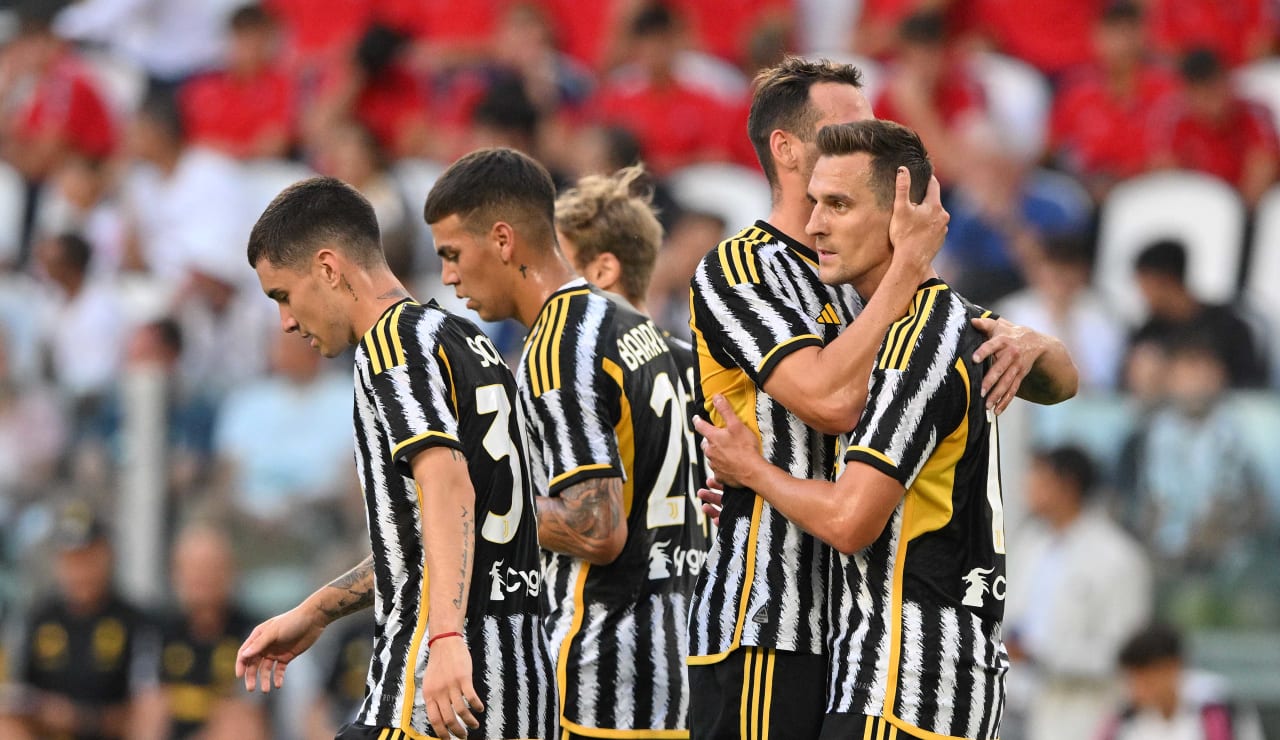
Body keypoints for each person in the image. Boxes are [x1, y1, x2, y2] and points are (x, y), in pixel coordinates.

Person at [686, 57, 1078, 739]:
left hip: (857, 630)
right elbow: (828, 401)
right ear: (787, 149)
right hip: (767, 617)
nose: (868, 138)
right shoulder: (741, 268)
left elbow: (1057, 378)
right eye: (848, 125)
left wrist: (1027, 342)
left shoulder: (866, 271)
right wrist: (908, 269)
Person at [235, 176, 557, 740]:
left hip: (434, 691)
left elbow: (447, 483)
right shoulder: (465, 340)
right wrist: (315, 612)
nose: (285, 321)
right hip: (521, 689)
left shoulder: (390, 344)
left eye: (282, 294)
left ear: (329, 268)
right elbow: (427, 538)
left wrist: (447, 640)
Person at [425, 147, 706, 738]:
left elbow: (596, 528)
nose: (449, 278)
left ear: (502, 240)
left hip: (599, 668)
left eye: (453, 255)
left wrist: (472, 502)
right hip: (676, 660)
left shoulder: (558, 344)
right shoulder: (644, 336)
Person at [554, 163, 708, 513]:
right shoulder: (696, 362)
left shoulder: (583, 365)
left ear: (602, 271)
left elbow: (594, 523)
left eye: (561, 266)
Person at [1003, 446, 1152, 740]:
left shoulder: (1118, 557)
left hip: (1080, 718)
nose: (1028, 486)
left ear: (1067, 485)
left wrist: (1039, 655)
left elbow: (1125, 654)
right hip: (1011, 706)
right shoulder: (1030, 544)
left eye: (1039, 477)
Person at [0, 502, 154, 740]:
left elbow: (147, 711)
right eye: (71, 560)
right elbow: (16, 696)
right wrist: (39, 712)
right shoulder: (38, 618)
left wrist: (78, 718)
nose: (79, 570)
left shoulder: (135, 623)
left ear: (107, 557)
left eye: (88, 558)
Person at [134, 526, 267, 740]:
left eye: (212, 567)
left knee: (238, 722)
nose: (203, 577)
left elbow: (247, 717)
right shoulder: (157, 631)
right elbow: (147, 706)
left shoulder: (253, 633)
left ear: (231, 572)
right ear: (175, 574)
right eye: (194, 568)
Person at [1127, 238, 1268, 388]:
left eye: (1145, 285)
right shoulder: (1147, 333)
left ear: (1165, 280)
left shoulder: (1229, 328)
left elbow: (1250, 388)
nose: (1142, 295)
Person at [1098, 623, 1265, 740]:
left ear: (1172, 667)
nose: (1137, 689)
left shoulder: (1219, 711)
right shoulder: (1123, 721)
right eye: (1132, 680)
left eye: (1145, 679)